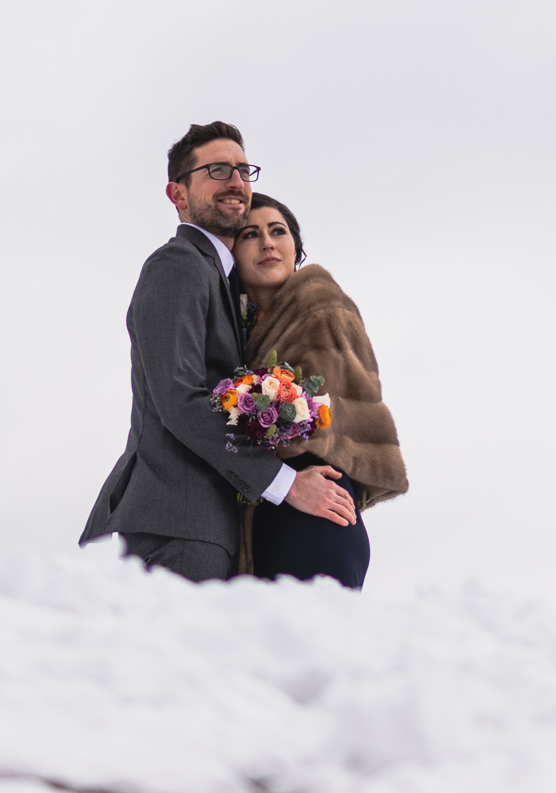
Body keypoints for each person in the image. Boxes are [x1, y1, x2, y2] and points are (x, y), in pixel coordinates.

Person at [80, 121, 358, 580]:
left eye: (243, 170)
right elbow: (179, 398)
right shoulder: (179, 265)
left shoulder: (225, 284)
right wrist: (285, 484)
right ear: (178, 194)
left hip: (209, 527)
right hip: (177, 522)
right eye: (216, 170)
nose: (235, 181)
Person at [232, 191, 408, 588]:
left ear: (296, 248)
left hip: (316, 511)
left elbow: (325, 419)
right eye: (250, 234)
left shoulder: (321, 307)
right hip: (274, 509)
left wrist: (262, 416)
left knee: (312, 643)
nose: (267, 243)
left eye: (278, 231)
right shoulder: (242, 324)